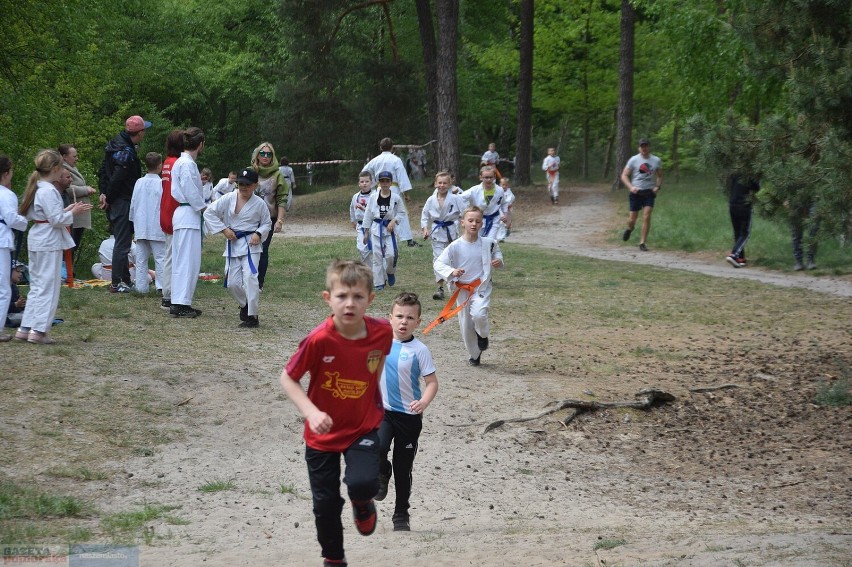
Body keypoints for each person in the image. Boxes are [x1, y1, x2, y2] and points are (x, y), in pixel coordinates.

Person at [278, 259, 393, 567]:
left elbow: (377, 362)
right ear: (328, 298)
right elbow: (288, 378)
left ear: (370, 299)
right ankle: (334, 559)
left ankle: (363, 503)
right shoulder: (319, 339)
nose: (350, 303)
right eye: (342, 296)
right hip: (321, 435)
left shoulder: (382, 332)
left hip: (362, 426)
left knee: (364, 483)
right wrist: (311, 413)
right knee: (325, 504)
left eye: (358, 296)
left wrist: (372, 397)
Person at [375, 292, 439, 532]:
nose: (404, 322)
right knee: (377, 448)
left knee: (404, 468)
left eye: (410, 318)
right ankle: (382, 471)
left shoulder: (419, 350)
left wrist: (423, 402)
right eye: (399, 316)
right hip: (383, 412)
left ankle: (401, 514)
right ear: (389, 318)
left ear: (418, 322)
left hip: (409, 418)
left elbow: (432, 383)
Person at [15, 149, 91, 344]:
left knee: (37, 286)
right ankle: (39, 330)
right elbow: (56, 219)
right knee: (48, 287)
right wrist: (72, 213)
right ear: (56, 168)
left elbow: (47, 215)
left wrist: (69, 209)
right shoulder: (49, 190)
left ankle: (25, 327)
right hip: (48, 241)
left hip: (39, 238)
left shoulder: (38, 187)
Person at [432, 206, 504, 366]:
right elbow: (438, 263)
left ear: (482, 224)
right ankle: (474, 354)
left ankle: (483, 335)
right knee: (466, 324)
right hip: (462, 290)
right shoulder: (455, 246)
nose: (474, 224)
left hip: (480, 288)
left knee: (479, 314)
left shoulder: (489, 244)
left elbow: (497, 253)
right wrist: (452, 271)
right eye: (470, 220)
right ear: (462, 222)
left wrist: (498, 261)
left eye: (478, 221)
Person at [203, 167, 271, 328]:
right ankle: (245, 305)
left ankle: (252, 316)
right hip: (233, 243)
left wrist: (259, 234)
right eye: (241, 183)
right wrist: (224, 229)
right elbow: (209, 213)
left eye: (247, 184)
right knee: (233, 282)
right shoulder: (228, 198)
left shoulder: (260, 204)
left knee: (250, 278)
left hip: (251, 245)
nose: (243, 187)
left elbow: (267, 223)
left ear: (255, 185)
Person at [99, 114, 152, 293]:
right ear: (140, 132)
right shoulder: (125, 151)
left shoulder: (114, 145)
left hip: (116, 199)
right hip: (122, 200)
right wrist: (109, 197)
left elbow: (103, 171)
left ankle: (126, 280)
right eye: (145, 130)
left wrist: (104, 193)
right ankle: (116, 283)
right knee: (122, 243)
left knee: (124, 241)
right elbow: (116, 178)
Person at [169, 127, 206, 318]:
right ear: (200, 144)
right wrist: (204, 208)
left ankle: (181, 301)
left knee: (185, 260)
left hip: (187, 214)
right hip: (188, 213)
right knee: (187, 261)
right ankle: (180, 302)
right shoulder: (186, 164)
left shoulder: (183, 163)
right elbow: (191, 191)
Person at [251, 142, 289, 291]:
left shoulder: (277, 175)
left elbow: (282, 199)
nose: (265, 156)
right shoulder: (250, 171)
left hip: (269, 218)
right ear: (257, 155)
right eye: (263, 153)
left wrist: (280, 220)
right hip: (249, 218)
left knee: (263, 249)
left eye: (269, 154)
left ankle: (259, 282)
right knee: (247, 247)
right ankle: (246, 278)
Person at [363, 137, 415, 245]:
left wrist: (373, 184)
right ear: (392, 147)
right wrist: (407, 193)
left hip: (380, 189)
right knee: (400, 212)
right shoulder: (396, 160)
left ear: (381, 147)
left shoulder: (375, 160)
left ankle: (379, 234)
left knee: (380, 211)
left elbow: (365, 172)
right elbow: (402, 176)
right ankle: (408, 239)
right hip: (394, 188)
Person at [420, 171, 463, 300]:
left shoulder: (456, 199)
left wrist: (466, 226)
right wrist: (425, 229)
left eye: (445, 183)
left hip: (451, 232)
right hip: (437, 233)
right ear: (435, 184)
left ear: (450, 184)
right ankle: (440, 288)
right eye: (440, 183)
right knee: (438, 260)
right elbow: (425, 215)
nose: (442, 185)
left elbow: (465, 214)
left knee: (453, 259)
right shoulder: (431, 199)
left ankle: (455, 284)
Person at [361, 171, 405, 291]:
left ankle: (390, 272)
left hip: (389, 230)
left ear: (391, 182)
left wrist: (394, 220)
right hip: (376, 229)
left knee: (392, 254)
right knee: (377, 256)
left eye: (387, 181)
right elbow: (368, 214)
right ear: (379, 182)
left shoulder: (396, 198)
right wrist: (366, 232)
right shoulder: (373, 197)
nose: (384, 183)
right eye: (382, 181)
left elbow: (401, 213)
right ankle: (379, 282)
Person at [129, 152, 167, 293]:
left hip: (141, 225)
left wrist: (133, 221)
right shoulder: (162, 183)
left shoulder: (139, 182)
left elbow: (133, 204)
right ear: (160, 165)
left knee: (141, 259)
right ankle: (161, 286)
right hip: (157, 225)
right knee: (160, 258)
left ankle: (141, 287)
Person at [1, 155, 29, 342]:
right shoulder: (6, 194)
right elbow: (12, 219)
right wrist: (24, 221)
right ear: (6, 173)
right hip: (1, 241)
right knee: (4, 289)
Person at [620, 137, 663, 251]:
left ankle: (642, 242)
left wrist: (657, 187)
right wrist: (631, 187)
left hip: (649, 192)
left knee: (646, 216)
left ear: (649, 147)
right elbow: (624, 176)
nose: (644, 148)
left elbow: (659, 175)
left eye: (646, 146)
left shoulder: (656, 160)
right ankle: (629, 228)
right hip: (636, 192)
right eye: (642, 146)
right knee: (632, 219)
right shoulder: (633, 160)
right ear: (639, 148)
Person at [158, 130, 185, 311]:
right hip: (174, 212)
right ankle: (168, 294)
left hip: (166, 210)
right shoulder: (177, 164)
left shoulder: (167, 162)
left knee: (169, 255)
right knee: (173, 256)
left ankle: (168, 292)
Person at [58, 144, 96, 261]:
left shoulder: (73, 169)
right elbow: (67, 188)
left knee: (74, 245)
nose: (77, 158)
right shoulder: (62, 170)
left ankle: (69, 273)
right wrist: (85, 189)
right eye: (74, 156)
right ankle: (66, 273)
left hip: (78, 214)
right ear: (64, 156)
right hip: (72, 213)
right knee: (69, 246)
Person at [460, 166, 509, 240]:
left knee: (490, 240)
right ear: (481, 177)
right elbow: (460, 198)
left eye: (491, 177)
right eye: (486, 177)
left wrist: (505, 214)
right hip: (478, 219)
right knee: (476, 239)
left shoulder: (500, 190)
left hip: (494, 219)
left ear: (494, 177)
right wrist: (466, 211)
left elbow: (504, 203)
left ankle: (489, 250)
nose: (488, 180)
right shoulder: (474, 190)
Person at [725, 174, 760, 269]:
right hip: (744, 205)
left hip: (732, 204)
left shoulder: (735, 173)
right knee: (745, 233)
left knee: (737, 232)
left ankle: (740, 259)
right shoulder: (749, 175)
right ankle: (734, 255)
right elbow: (757, 188)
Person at [349, 171, 374, 264]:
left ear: (371, 182)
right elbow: (352, 208)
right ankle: (369, 271)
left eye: (367, 181)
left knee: (377, 250)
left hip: (374, 225)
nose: (364, 184)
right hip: (361, 225)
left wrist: (363, 208)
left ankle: (380, 273)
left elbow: (375, 211)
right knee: (362, 249)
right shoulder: (356, 196)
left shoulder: (375, 195)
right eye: (362, 182)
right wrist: (353, 220)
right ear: (359, 184)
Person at [789, 195, 819, 271]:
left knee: (813, 230)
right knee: (796, 232)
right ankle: (798, 261)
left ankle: (811, 260)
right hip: (796, 198)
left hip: (813, 197)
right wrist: (786, 198)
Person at [5, 261, 27, 330]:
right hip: (6, 316)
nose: (20, 274)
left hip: (13, 313)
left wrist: (22, 304)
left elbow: (17, 304)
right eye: (18, 271)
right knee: (28, 317)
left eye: (21, 272)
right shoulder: (2, 287)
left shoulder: (14, 287)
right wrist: (15, 304)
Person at [495, 176, 515, 242]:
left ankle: (507, 230)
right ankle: (501, 237)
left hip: (508, 209)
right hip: (500, 210)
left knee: (507, 223)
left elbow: (510, 200)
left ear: (508, 185)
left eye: (505, 185)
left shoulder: (509, 193)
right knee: (501, 223)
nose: (504, 186)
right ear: (500, 185)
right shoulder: (498, 192)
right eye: (502, 185)